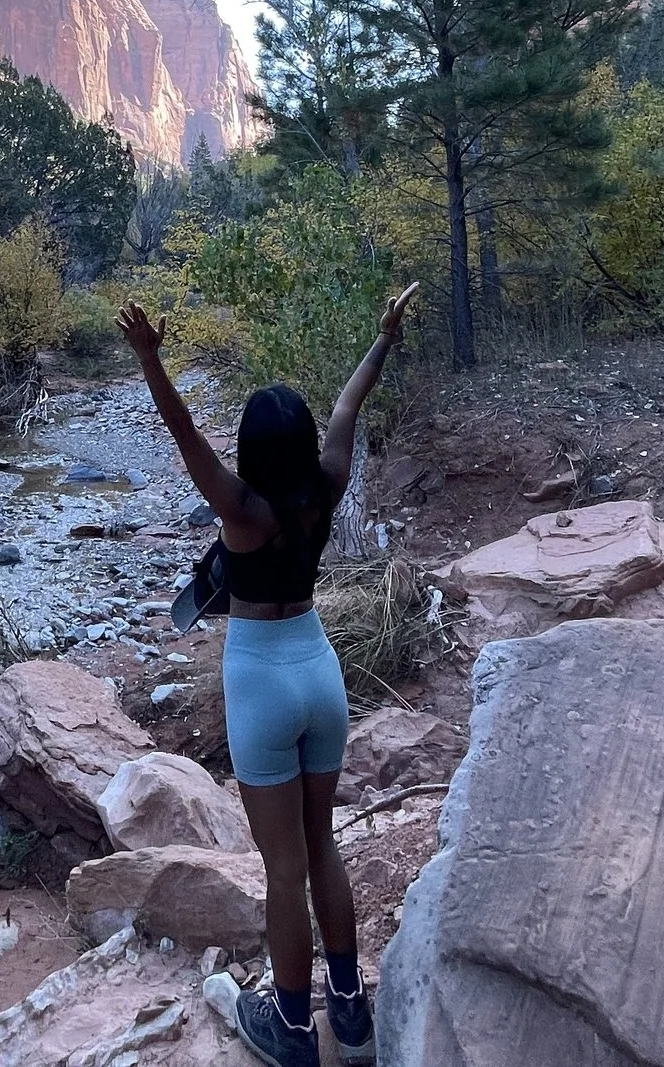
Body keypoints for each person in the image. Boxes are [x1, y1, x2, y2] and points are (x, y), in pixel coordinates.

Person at [116, 282, 418, 1067]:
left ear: (251, 451)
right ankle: (351, 1015)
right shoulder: (328, 483)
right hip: (319, 669)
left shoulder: (241, 509)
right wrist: (383, 336)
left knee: (283, 870)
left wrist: (150, 359)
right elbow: (350, 401)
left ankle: (291, 1028)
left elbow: (185, 433)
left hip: (260, 680)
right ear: (306, 442)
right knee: (323, 848)